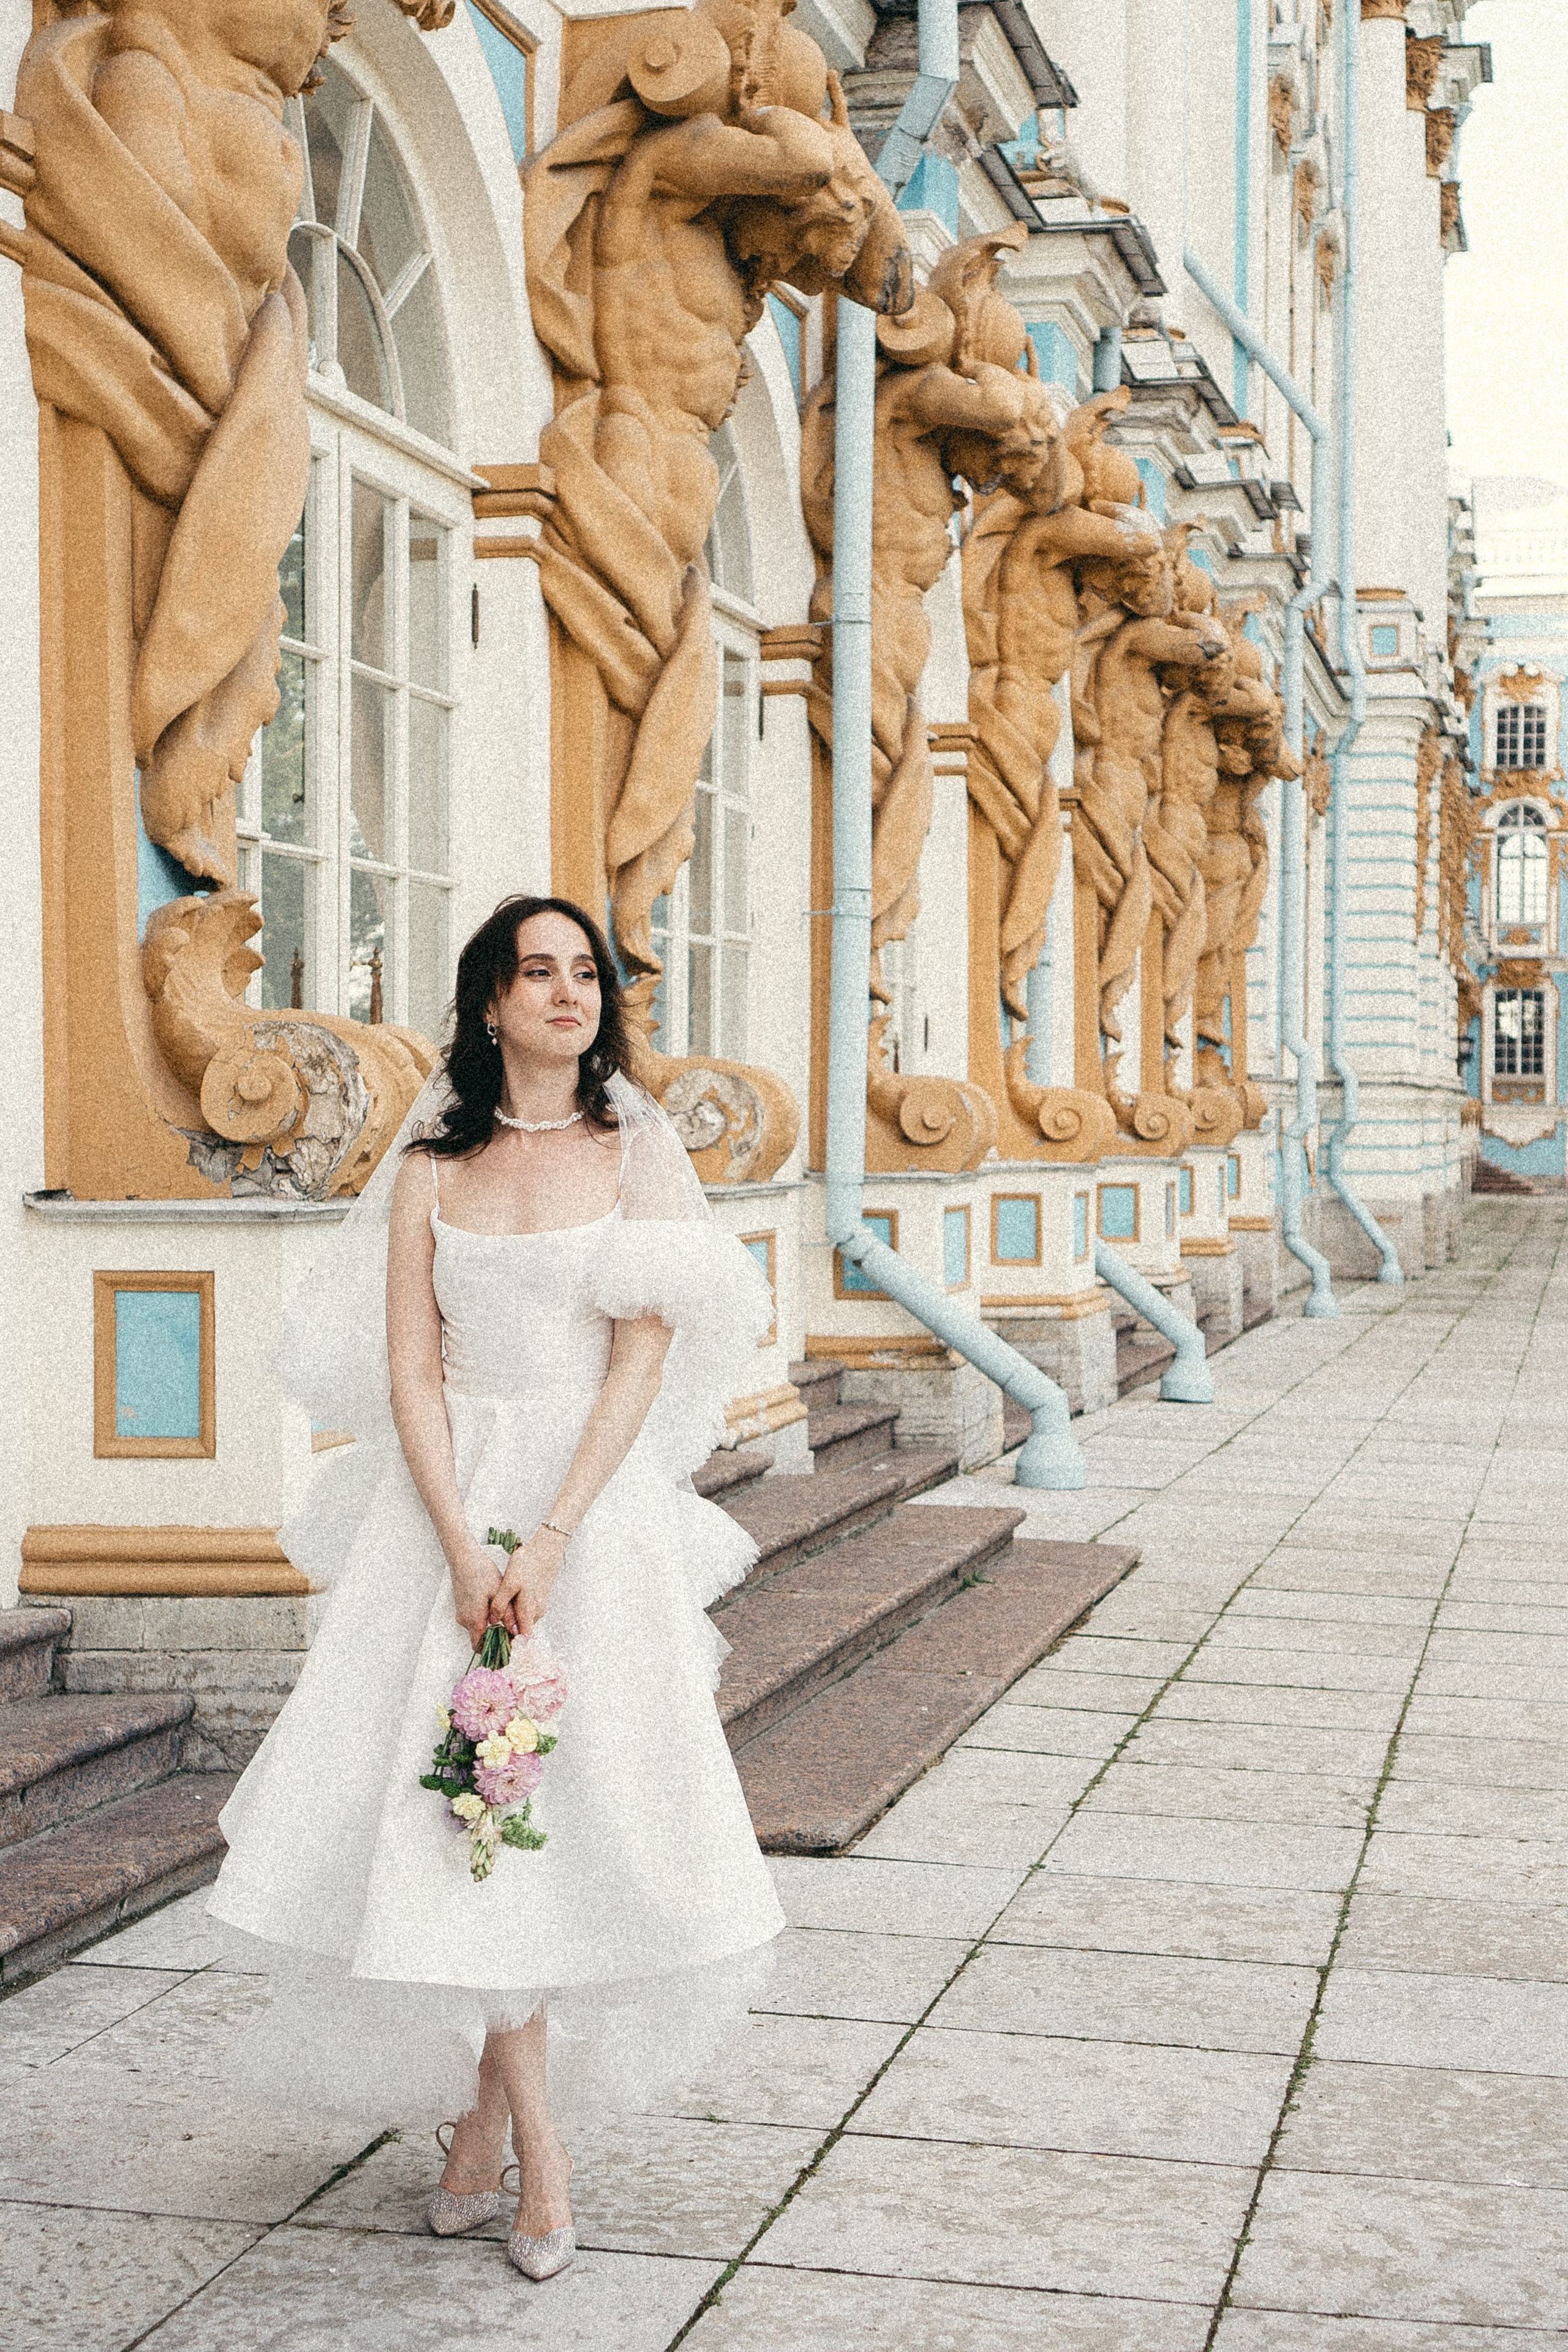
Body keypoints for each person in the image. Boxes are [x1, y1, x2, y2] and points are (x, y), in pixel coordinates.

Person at [208, 894, 785, 2282]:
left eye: (584, 973)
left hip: (589, 1512)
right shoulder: (430, 1169)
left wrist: (549, 1540)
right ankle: (535, 2152)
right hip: (446, 1512)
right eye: (539, 973)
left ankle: (496, 2139)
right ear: (490, 1002)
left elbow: (639, 1367)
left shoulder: (637, 1151)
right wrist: (465, 1540)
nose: (568, 994)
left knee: (563, 1813)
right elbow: (411, 1369)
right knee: (458, 1810)